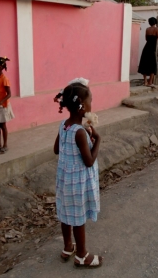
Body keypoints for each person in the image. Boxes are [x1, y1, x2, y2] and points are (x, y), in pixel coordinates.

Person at [53, 82, 103, 268]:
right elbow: (89, 161)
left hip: (64, 180)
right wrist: (97, 140)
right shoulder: (80, 132)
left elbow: (57, 149)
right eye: (90, 101)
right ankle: (82, 254)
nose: (91, 106)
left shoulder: (64, 125)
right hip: (78, 183)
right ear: (81, 104)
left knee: (66, 215)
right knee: (79, 218)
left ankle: (67, 246)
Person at [138, 17, 158, 88]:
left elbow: (146, 39)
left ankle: (145, 81)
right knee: (153, 65)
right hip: (152, 49)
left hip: (146, 48)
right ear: (155, 23)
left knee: (144, 64)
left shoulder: (147, 29)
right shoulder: (156, 29)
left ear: (149, 23)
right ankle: (150, 82)